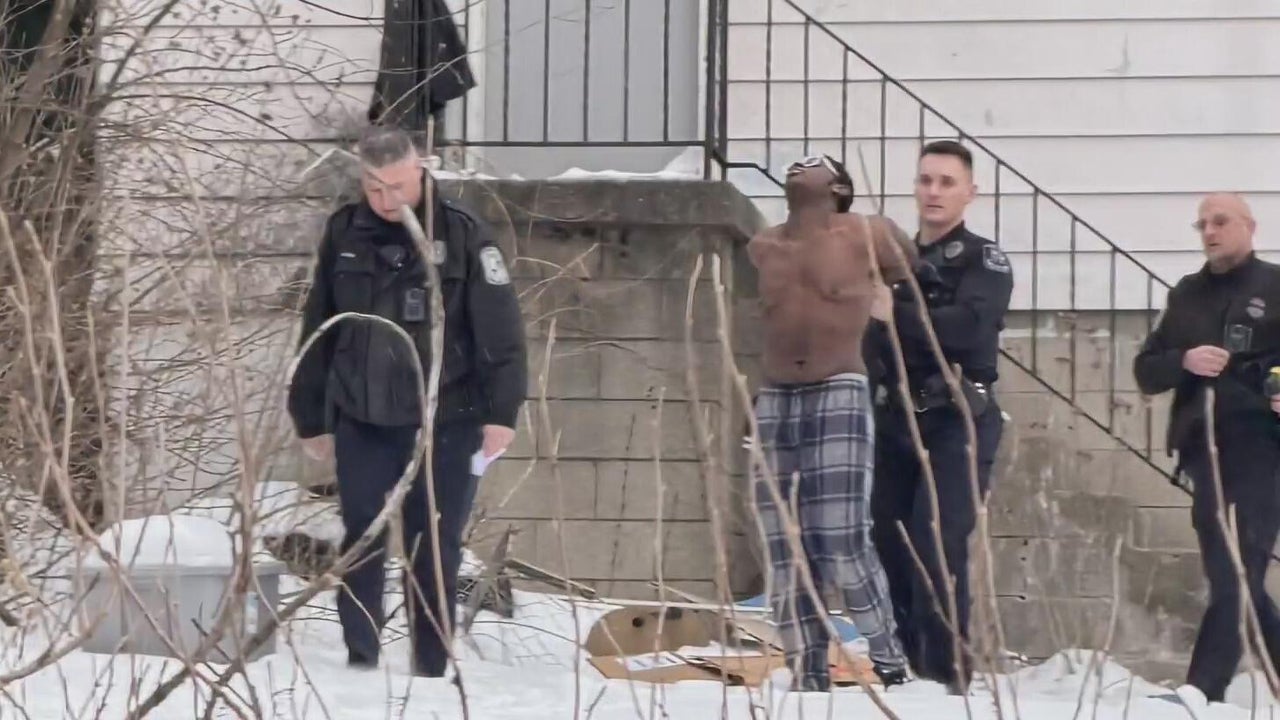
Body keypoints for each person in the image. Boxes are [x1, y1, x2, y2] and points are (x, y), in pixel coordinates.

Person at [286, 125, 527, 677]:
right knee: (362, 533)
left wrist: (502, 413)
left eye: (397, 186)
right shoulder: (345, 231)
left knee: (434, 540)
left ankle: (431, 664)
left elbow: (501, 330)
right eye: (374, 188)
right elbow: (320, 324)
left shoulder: (464, 233)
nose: (386, 199)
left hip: (449, 415)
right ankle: (360, 657)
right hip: (363, 412)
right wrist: (311, 416)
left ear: (421, 170)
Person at [746, 153, 916, 691]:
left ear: (838, 186)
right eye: (796, 163)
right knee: (783, 543)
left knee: (841, 538)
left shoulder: (869, 234)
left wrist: (888, 303)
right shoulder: (762, 245)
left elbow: (918, 273)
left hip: (839, 385)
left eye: (815, 163)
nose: (800, 165)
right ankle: (807, 671)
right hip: (775, 395)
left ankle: (888, 657)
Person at [865, 140, 1012, 693]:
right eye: (926, 180)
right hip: (895, 420)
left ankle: (948, 678)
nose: (934, 191)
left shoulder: (983, 260)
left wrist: (897, 312)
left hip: (956, 420)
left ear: (970, 192)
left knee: (935, 544)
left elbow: (968, 328)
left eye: (947, 182)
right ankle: (906, 673)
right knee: (889, 544)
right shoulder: (890, 262)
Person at [1133, 192, 1280, 702]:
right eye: (1202, 225)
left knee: (1243, 569)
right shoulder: (1187, 294)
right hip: (1204, 449)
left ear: (1249, 227)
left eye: (1221, 221)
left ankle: (1200, 691)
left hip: (1263, 446)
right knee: (1231, 577)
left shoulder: (1275, 286)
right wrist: (1185, 361)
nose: (1210, 232)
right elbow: (1146, 370)